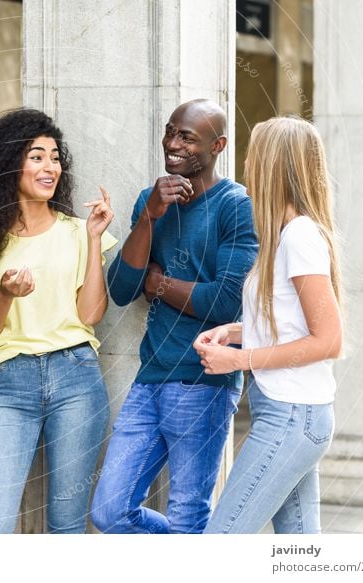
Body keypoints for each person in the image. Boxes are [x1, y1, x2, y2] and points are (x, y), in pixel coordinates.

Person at [90, 99, 258, 534]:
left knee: (188, 513)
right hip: (151, 378)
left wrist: (159, 285)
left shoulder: (236, 206)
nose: (172, 144)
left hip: (204, 381)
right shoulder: (153, 201)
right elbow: (122, 290)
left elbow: (224, 303)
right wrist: (147, 218)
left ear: (218, 145)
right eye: (170, 132)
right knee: (109, 510)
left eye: (187, 137)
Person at [0, 108, 117, 533]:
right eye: (37, 156)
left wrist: (95, 238)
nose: (51, 167)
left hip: (76, 376)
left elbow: (91, 315)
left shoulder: (79, 231)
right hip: (12, 383)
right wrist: (5, 295)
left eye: (56, 156)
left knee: (65, 527)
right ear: (10, 164)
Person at [198, 116, 343, 534]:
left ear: (274, 166)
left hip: (292, 416)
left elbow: (328, 339)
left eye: (254, 153)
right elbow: (291, 320)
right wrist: (234, 332)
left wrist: (238, 359)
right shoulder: (284, 235)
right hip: (290, 413)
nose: (246, 162)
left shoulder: (299, 236)